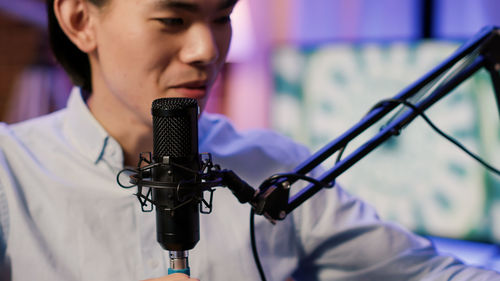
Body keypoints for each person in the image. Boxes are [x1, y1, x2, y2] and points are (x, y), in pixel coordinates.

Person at [0, 0, 499, 280]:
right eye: (173, 20)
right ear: (80, 20)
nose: (206, 50)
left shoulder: (272, 165)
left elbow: (429, 274)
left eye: (221, 18)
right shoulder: (10, 172)